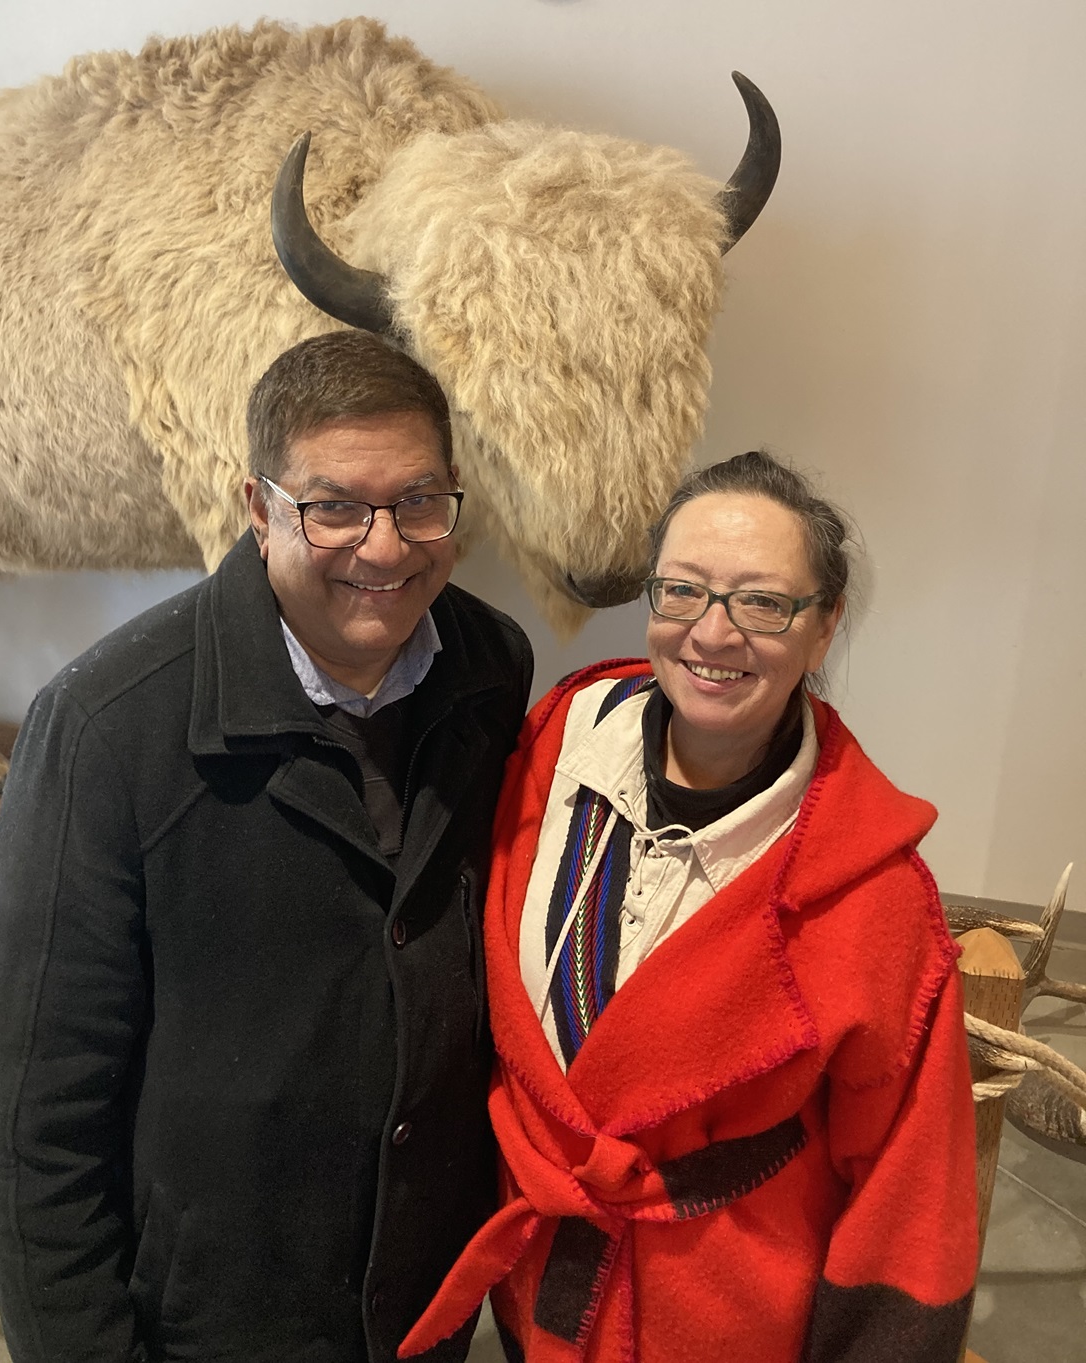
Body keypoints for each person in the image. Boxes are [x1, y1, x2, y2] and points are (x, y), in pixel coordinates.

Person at [0, 331, 533, 1363]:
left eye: (417, 501)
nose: (386, 546)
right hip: (207, 1326)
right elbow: (30, 1120)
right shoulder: (110, 724)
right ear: (256, 505)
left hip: (423, 1314)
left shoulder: (491, 667)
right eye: (334, 508)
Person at [400, 451, 979, 1363]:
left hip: (718, 1325)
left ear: (823, 629)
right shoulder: (558, 740)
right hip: (533, 1288)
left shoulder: (879, 899)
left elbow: (912, 1202)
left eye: (763, 602)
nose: (712, 634)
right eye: (683, 591)